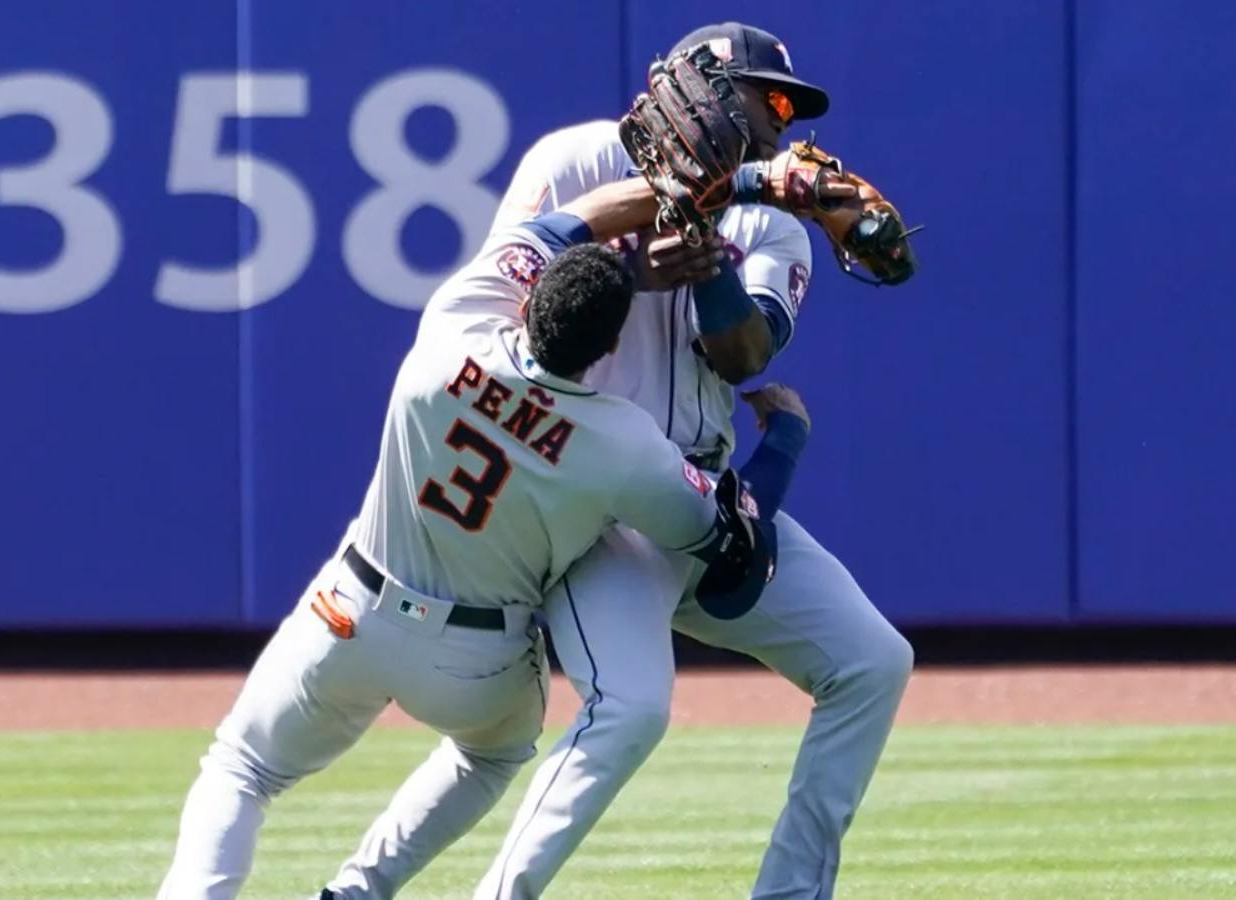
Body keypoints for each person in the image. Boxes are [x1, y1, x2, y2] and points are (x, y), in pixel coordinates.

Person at [372, 21, 912, 899]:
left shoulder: (779, 228)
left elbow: (745, 354)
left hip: (698, 492)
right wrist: (628, 273)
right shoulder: (576, 159)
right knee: (624, 710)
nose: (783, 121)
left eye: (794, 108)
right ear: (697, 86)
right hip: (594, 504)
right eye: (766, 97)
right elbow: (515, 310)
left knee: (873, 663)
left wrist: (706, 268)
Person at [156, 174, 801, 899]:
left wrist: (689, 188)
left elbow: (564, 225)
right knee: (489, 758)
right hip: (477, 657)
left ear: (527, 299)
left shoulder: (457, 321)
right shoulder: (621, 439)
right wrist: (785, 440)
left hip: (352, 607)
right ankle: (357, 892)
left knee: (242, 768)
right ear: (612, 345)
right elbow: (728, 537)